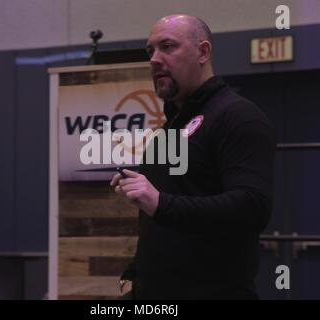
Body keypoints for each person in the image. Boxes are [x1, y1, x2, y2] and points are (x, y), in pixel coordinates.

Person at [110, 14, 276, 299]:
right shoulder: (168, 130)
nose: (154, 59)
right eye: (150, 50)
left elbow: (252, 206)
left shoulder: (238, 116)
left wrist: (160, 203)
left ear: (203, 52)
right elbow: (163, 224)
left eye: (167, 46)